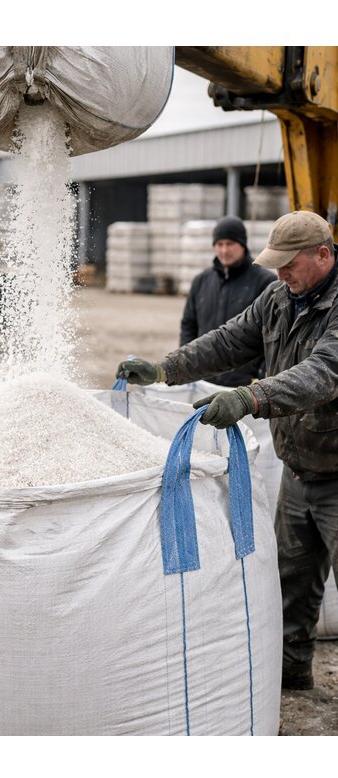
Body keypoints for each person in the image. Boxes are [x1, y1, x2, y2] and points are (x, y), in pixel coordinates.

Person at [116, 210, 338, 692]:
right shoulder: (281, 297)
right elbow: (230, 340)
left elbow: (323, 372)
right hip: (301, 471)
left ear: (323, 255)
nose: (280, 275)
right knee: (292, 586)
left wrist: (251, 397)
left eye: (289, 265)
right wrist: (164, 370)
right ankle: (290, 681)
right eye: (275, 265)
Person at [180, 215, 276, 386]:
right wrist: (187, 366)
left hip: (243, 386)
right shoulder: (201, 281)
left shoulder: (265, 283)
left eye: (230, 244)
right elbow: (189, 325)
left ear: (243, 244)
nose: (224, 250)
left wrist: (260, 375)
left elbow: (272, 335)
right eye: (219, 244)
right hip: (203, 381)